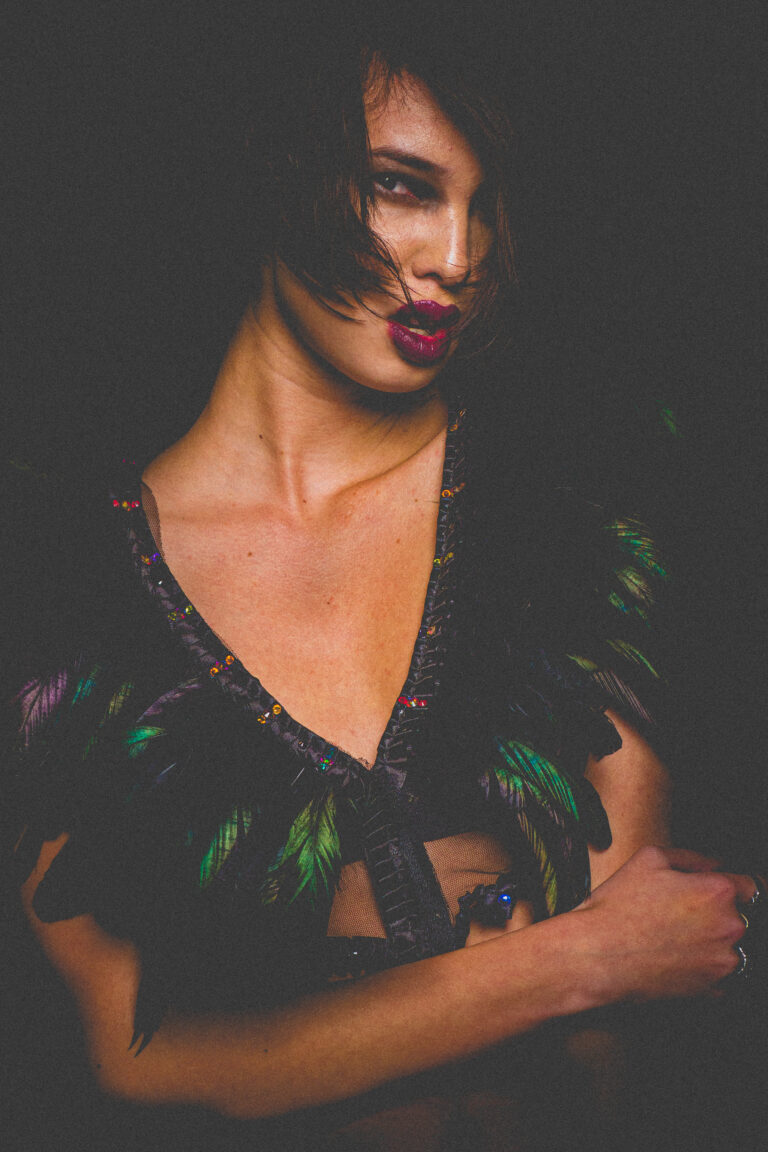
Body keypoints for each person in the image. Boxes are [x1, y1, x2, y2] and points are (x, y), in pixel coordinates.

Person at [2, 7, 761, 1150]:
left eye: (485, 205)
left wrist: (608, 956)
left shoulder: (564, 510)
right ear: (279, 169)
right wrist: (582, 957)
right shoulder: (68, 588)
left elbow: (641, 984)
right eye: (402, 187)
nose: (457, 257)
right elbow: (134, 1057)